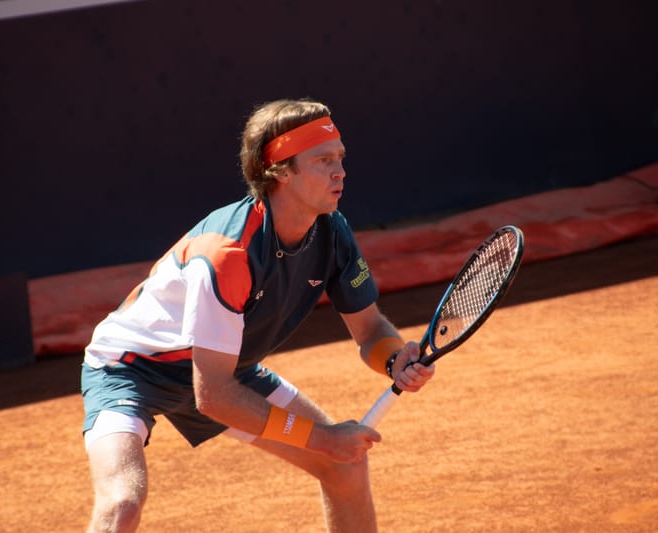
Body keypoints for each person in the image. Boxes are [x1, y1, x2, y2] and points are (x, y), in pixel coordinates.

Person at [81, 98, 436, 532]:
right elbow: (213, 396)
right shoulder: (228, 254)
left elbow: (371, 330)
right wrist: (324, 438)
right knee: (122, 504)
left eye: (340, 158)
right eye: (323, 160)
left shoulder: (332, 230)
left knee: (344, 466)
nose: (340, 171)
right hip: (133, 371)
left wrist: (393, 358)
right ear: (280, 171)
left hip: (225, 371)